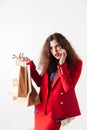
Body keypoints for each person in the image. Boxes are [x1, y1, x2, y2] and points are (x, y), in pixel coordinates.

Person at [13, 32, 82, 130]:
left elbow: (68, 88)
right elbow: (39, 82)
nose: (55, 51)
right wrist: (29, 64)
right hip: (41, 108)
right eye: (51, 48)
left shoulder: (76, 64)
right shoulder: (49, 63)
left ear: (64, 45)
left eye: (57, 46)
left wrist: (62, 65)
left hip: (55, 112)